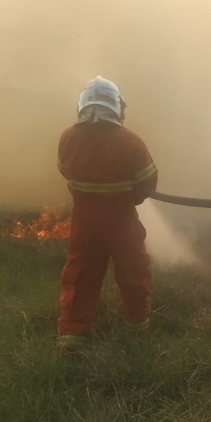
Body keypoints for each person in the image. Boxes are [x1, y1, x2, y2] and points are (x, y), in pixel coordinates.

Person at [55, 76, 158, 352]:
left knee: (80, 274)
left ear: (83, 105)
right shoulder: (131, 141)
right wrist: (128, 198)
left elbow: (64, 171)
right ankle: (137, 331)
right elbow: (148, 184)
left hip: (85, 221)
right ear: (117, 107)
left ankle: (71, 338)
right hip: (122, 220)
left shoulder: (67, 138)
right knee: (133, 270)